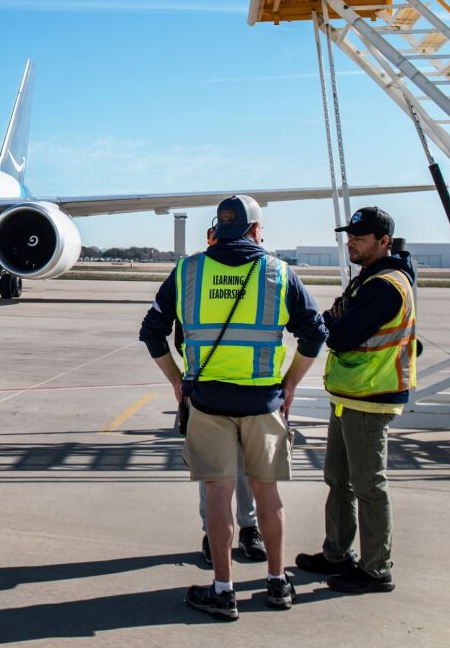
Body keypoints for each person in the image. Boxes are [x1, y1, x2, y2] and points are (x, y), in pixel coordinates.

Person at [141, 195, 327, 620]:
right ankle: (277, 582)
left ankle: (223, 591)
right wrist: (290, 383)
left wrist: (176, 381)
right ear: (255, 230)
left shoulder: (188, 271)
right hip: (263, 401)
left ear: (219, 227)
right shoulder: (279, 272)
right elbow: (315, 333)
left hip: (208, 402)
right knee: (268, 495)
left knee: (217, 494)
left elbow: (152, 331)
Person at [296, 206, 416, 594]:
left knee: (368, 485)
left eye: (360, 238)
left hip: (370, 395)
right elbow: (336, 320)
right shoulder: (369, 278)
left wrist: (335, 321)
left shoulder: (385, 286)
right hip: (350, 393)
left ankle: (376, 568)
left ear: (383, 242)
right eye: (349, 236)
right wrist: (337, 319)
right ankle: (336, 553)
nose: (351, 243)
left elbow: (340, 334)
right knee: (338, 479)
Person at [179, 228, 267, 565]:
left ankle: (247, 529)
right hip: (213, 391)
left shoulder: (266, 272)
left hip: (248, 390)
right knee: (220, 473)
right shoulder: (194, 273)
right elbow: (174, 331)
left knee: (234, 471)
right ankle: (221, 535)